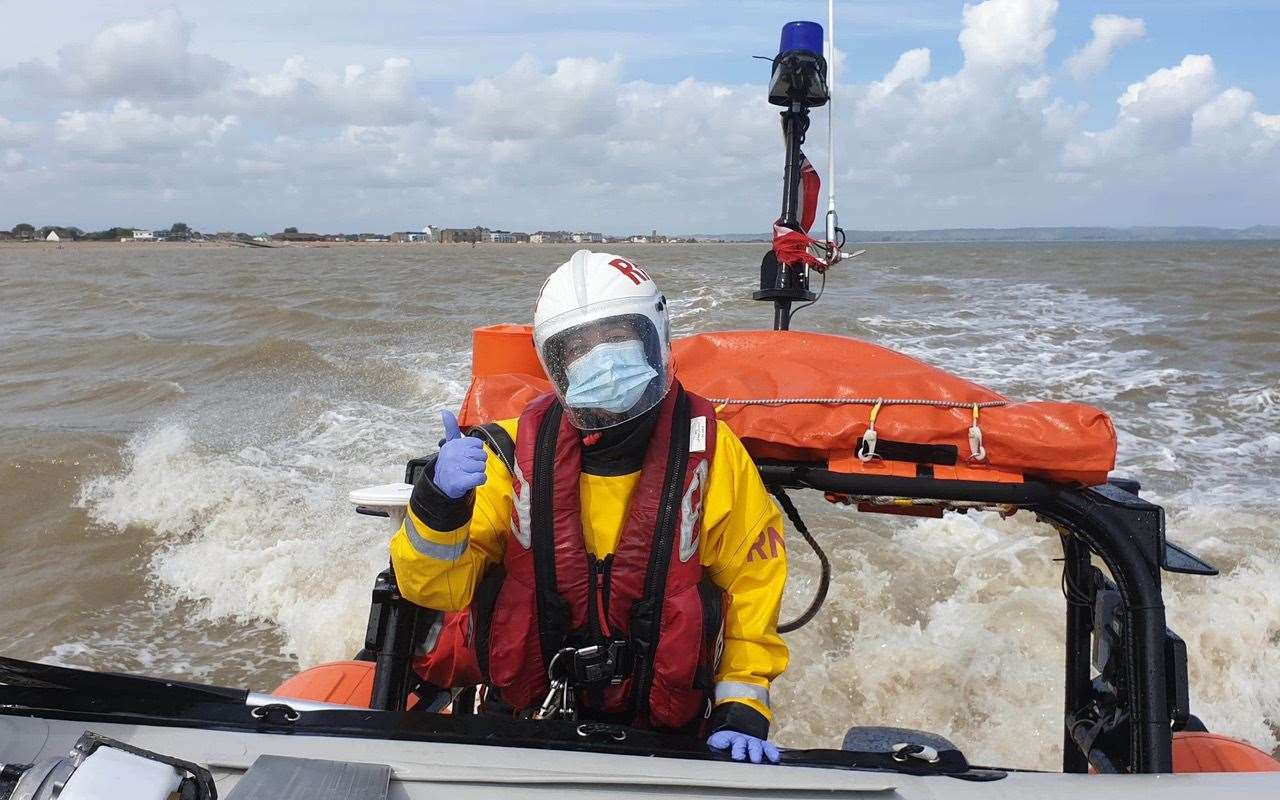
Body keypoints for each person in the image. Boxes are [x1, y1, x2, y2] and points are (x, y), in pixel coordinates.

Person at [390, 250, 789, 764]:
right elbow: (435, 588)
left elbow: (753, 586)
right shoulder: (505, 459)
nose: (600, 359)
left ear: (655, 337)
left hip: (666, 737)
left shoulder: (711, 456)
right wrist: (439, 503)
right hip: (524, 723)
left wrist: (741, 704)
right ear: (556, 365)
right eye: (578, 347)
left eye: (618, 336)